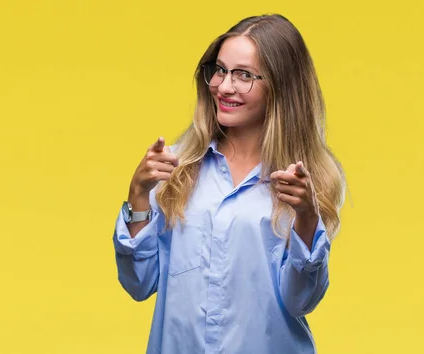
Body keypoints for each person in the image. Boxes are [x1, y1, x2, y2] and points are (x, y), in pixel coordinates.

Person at [112, 14, 346, 354]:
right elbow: (139, 283)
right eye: (220, 70)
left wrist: (308, 218)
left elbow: (301, 300)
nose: (224, 86)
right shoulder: (177, 168)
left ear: (281, 86)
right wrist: (138, 197)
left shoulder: (306, 183)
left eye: (244, 75)